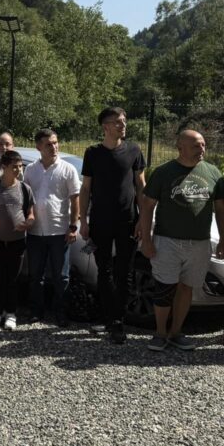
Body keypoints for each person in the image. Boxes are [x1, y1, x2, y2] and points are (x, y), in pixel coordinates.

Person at [139, 130, 224, 351]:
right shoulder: (163, 172)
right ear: (180, 147)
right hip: (167, 241)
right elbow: (147, 206)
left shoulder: (213, 172)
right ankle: (160, 333)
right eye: (196, 145)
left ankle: (176, 332)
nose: (202, 149)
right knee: (164, 288)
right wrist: (147, 240)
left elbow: (221, 209)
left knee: (187, 288)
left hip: (199, 242)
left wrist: (222, 240)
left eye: (203, 145)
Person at [79, 107, 145, 344]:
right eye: (118, 121)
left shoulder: (134, 150)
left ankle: (118, 320)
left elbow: (141, 185)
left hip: (127, 221)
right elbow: (85, 188)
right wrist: (83, 220)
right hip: (100, 222)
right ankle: (109, 318)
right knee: (104, 270)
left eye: (124, 120)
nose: (123, 125)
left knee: (124, 271)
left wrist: (143, 219)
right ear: (105, 126)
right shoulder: (92, 153)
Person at [25, 129, 82, 326]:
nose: (54, 147)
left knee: (61, 276)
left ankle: (61, 313)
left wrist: (73, 227)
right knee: (35, 275)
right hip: (35, 232)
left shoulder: (67, 169)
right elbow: (26, 197)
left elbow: (75, 199)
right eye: (48, 144)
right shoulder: (30, 169)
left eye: (56, 142)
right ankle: (36, 312)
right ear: (38, 147)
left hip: (59, 231)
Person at [0, 149, 34, 331]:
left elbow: (31, 214)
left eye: (20, 167)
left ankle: (11, 313)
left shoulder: (25, 189)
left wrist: (29, 223)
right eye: (14, 167)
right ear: (4, 167)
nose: (18, 170)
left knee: (13, 278)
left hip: (17, 241)